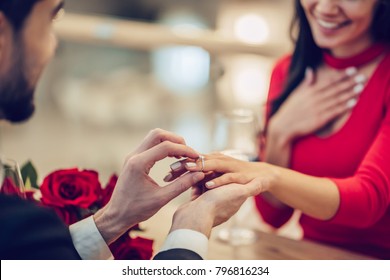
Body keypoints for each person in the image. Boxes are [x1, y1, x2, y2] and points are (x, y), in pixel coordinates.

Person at [0, 0, 263, 260]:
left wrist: (114, 217)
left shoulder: (19, 233)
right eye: (49, 22)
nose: (53, 47)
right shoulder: (21, 225)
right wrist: (191, 227)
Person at [167, 0, 390, 259]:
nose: (326, 7)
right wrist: (279, 133)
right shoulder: (287, 70)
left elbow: (368, 202)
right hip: (310, 256)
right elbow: (274, 214)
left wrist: (265, 173)